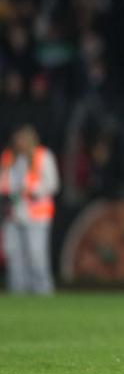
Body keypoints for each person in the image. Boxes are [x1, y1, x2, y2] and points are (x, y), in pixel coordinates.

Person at [0, 124, 60, 294]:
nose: (19, 143)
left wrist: (34, 191)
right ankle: (18, 292)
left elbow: (53, 183)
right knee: (14, 255)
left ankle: (42, 291)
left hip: (37, 214)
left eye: (23, 139)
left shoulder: (43, 156)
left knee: (36, 255)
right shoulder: (9, 157)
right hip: (13, 212)